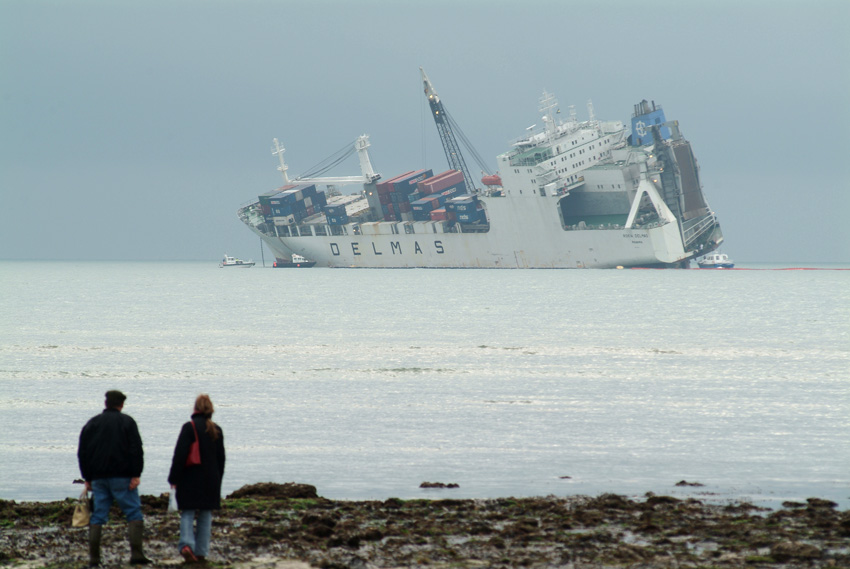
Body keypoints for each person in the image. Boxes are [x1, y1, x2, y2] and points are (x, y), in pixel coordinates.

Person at [78, 390, 151, 566]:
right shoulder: (128, 422)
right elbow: (136, 449)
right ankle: (137, 555)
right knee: (133, 513)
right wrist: (136, 474)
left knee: (98, 516)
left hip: (99, 477)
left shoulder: (92, 423)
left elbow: (83, 452)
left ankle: (94, 558)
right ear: (121, 404)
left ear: (106, 403)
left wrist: (87, 477)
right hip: (123, 477)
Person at [168, 394, 226, 564]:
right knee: (206, 514)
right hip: (211, 479)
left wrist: (174, 478)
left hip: (190, 477)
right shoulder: (217, 429)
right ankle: (201, 551)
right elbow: (221, 459)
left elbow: (179, 455)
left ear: (195, 409)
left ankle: (186, 545)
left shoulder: (189, 427)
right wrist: (218, 479)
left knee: (188, 511)